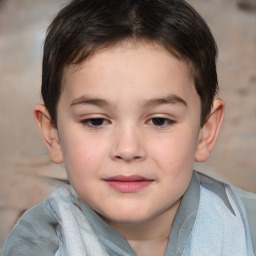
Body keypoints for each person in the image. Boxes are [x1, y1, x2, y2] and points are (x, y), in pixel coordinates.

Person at [1, 0, 256, 255]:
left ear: (205, 131)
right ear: (53, 134)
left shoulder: (246, 228)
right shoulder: (38, 245)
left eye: (159, 120)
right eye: (96, 121)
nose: (127, 149)